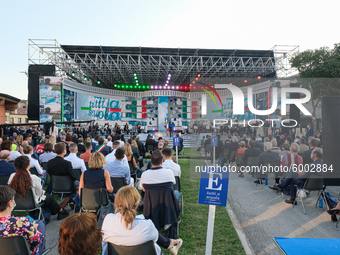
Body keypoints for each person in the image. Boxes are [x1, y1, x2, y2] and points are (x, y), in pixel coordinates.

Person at [102, 186, 183, 255]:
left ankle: (169, 244)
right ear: (137, 204)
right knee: (154, 243)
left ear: (116, 203)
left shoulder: (108, 220)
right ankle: (170, 244)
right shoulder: (147, 225)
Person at [8, 156, 69, 221]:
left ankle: (59, 211)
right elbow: (40, 194)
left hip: (17, 204)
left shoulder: (12, 176)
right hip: (32, 203)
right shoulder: (34, 178)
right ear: (29, 164)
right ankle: (61, 211)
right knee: (49, 197)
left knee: (47, 197)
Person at [0, 185, 46, 255]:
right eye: (13, 199)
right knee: (40, 224)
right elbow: (36, 242)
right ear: (10, 203)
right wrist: (34, 229)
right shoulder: (23, 222)